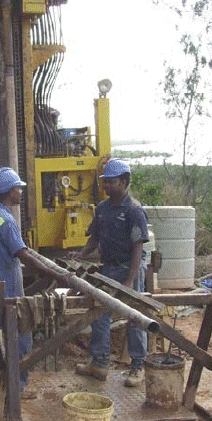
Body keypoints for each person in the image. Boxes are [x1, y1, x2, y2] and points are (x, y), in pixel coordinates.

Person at [0, 167, 70, 393]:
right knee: (21, 338)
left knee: (2, 334)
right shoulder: (7, 220)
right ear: (8, 191)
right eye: (18, 189)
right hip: (9, 286)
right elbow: (23, 254)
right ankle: (17, 388)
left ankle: (4, 380)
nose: (21, 192)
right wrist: (56, 275)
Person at [70, 158, 149, 386]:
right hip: (108, 268)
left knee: (134, 317)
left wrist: (130, 281)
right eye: (105, 182)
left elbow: (138, 247)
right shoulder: (103, 209)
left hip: (128, 268)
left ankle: (137, 366)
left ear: (124, 182)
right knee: (99, 314)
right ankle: (100, 362)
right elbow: (95, 237)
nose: (107, 187)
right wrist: (82, 255)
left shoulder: (134, 211)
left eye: (111, 182)